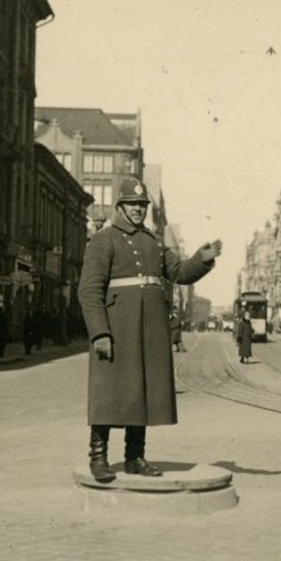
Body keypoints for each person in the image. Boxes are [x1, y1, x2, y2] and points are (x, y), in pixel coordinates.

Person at [78, 178, 222, 482]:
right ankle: (98, 457)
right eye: (132, 204)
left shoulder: (154, 242)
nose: (138, 210)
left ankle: (135, 457)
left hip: (149, 329)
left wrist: (202, 259)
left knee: (141, 390)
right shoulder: (104, 240)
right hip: (118, 328)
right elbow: (89, 290)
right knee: (108, 391)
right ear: (120, 206)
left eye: (142, 205)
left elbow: (179, 272)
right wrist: (100, 332)